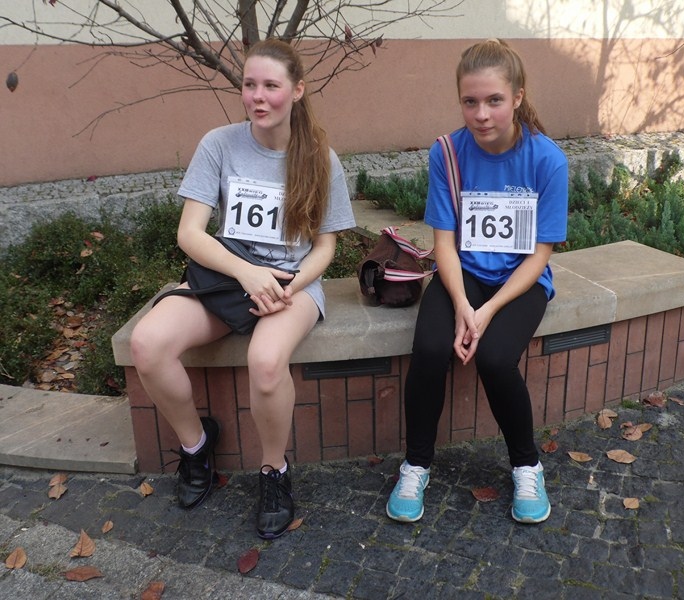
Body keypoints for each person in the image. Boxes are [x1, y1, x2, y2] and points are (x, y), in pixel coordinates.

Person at [130, 38, 355, 539]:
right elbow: (189, 234)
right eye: (249, 84)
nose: (258, 96)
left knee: (267, 362)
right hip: (228, 280)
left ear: (297, 90)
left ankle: (273, 471)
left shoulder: (321, 158)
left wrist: (290, 285)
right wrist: (246, 273)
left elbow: (326, 246)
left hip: (291, 285)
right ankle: (196, 447)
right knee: (147, 343)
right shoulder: (219, 144)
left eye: (271, 85)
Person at [386, 39, 568, 524]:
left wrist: (486, 311)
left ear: (518, 97)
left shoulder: (547, 160)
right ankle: (416, 464)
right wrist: (464, 304)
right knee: (430, 349)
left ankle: (527, 466)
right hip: (462, 274)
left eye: (494, 100)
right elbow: (443, 244)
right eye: (470, 101)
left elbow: (540, 255)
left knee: (495, 358)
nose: (481, 114)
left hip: (520, 282)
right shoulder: (447, 152)